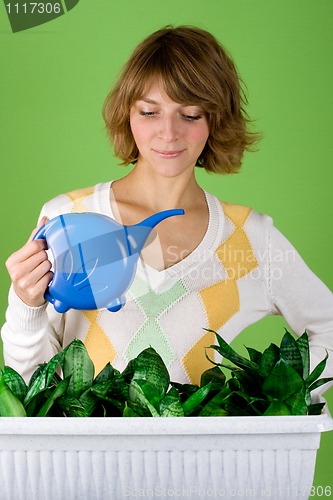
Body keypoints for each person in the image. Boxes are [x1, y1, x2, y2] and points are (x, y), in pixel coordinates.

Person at [2, 26, 333, 392]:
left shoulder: (248, 238)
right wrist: (26, 305)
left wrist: (277, 406)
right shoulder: (69, 217)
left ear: (215, 120)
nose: (168, 133)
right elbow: (31, 384)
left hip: (200, 453)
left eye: (190, 115)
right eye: (149, 112)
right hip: (86, 452)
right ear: (128, 114)